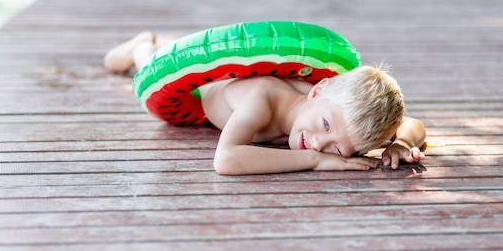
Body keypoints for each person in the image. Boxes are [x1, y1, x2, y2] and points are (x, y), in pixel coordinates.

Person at [104, 31, 426, 176]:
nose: (317, 142)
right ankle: (141, 45)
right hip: (204, 92)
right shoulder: (263, 98)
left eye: (337, 150)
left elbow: (412, 124)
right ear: (317, 90)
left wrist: (400, 144)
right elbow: (226, 159)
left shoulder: (338, 115)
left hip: (232, 92)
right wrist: (315, 162)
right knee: (152, 65)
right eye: (325, 125)